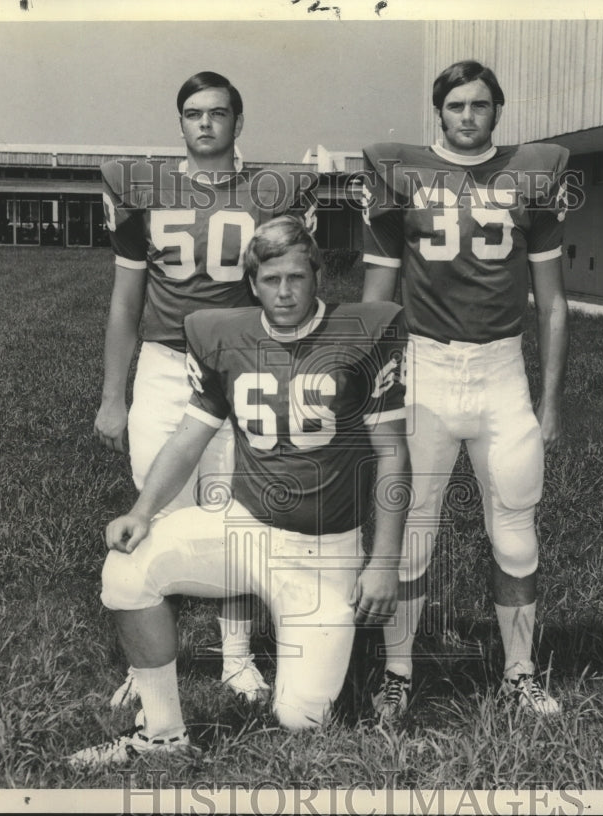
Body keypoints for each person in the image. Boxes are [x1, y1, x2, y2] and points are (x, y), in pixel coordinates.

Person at [68, 215, 410, 768]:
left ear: (317, 275)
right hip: (246, 528)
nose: (284, 291)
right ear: (253, 283)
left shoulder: (366, 331)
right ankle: (162, 734)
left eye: (296, 277)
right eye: (271, 279)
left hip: (324, 550)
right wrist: (143, 510)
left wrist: (385, 559)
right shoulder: (221, 333)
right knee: (126, 567)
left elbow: (393, 451)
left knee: (302, 719)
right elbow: (187, 439)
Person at [94, 71, 315, 705]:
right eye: (194, 113)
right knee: (153, 507)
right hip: (165, 365)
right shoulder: (148, 193)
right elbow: (125, 300)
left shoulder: (270, 194)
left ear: (237, 124)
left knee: (236, 510)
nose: (206, 124)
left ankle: (237, 658)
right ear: (181, 123)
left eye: (219, 113)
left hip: (238, 365)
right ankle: (146, 663)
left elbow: (289, 293)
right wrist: (115, 395)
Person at [360, 60, 571, 718]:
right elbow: (374, 302)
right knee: (412, 532)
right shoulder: (402, 175)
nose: (469, 116)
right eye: (456, 105)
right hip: (426, 369)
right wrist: (374, 393)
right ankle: (397, 673)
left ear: (497, 111)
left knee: (515, 532)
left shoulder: (531, 176)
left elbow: (554, 306)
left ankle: (519, 673)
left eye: (481, 104)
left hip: (503, 371)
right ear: (439, 111)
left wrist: (550, 399)